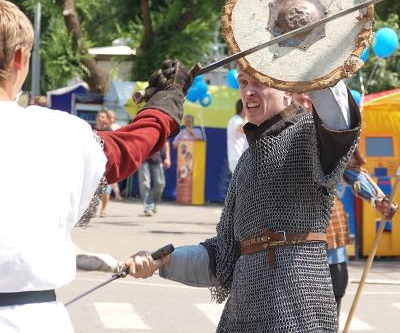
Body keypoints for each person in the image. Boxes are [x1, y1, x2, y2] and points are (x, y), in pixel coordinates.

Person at [0, 0, 191, 333]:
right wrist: (164, 107)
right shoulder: (57, 132)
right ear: (19, 58)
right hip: (27, 320)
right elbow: (128, 149)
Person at [126, 69, 362, 333]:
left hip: (300, 309)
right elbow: (223, 256)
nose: (249, 92)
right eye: (243, 83)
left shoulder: (310, 137)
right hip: (243, 311)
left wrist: (309, 60)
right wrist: (163, 261)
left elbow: (339, 122)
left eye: (259, 84)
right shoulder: (246, 164)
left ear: (287, 91)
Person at [294, 93, 399, 316]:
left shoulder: (331, 133)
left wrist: (378, 200)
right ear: (287, 97)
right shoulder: (274, 132)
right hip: (289, 231)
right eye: (299, 98)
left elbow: (352, 171)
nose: (304, 103)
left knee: (335, 290)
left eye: (309, 98)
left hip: (329, 225)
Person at [138, 141, 171, 216]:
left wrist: (168, 158)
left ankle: (153, 203)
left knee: (160, 184)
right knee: (144, 184)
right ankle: (148, 207)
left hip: (157, 159)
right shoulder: (143, 129)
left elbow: (166, 142)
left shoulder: (159, 129)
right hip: (143, 159)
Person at [106, 109, 124, 201]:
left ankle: (116, 194)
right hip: (106, 153)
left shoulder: (117, 127)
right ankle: (115, 194)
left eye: (113, 118)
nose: (111, 119)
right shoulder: (104, 127)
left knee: (113, 175)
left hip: (114, 153)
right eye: (109, 117)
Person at [226, 99, 248, 173]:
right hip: (237, 158)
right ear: (243, 108)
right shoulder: (236, 120)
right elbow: (242, 129)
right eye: (247, 107)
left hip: (239, 159)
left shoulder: (239, 119)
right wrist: (247, 115)